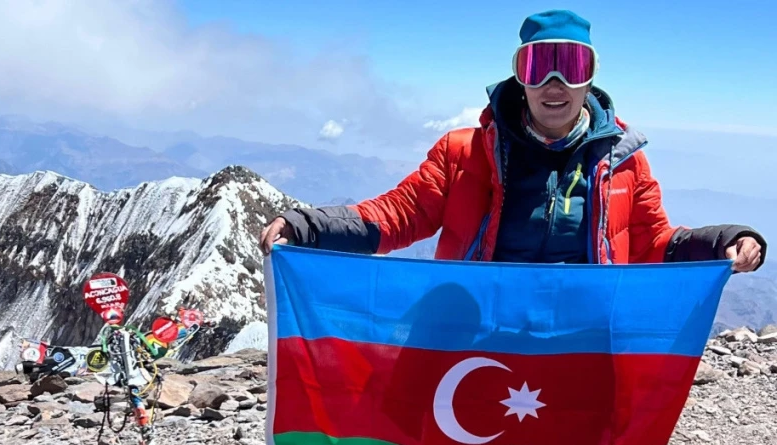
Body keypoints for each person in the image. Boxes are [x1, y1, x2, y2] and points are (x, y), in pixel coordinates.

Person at [260, 9, 766, 273]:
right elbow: (398, 214)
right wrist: (308, 228)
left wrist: (726, 242)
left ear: (590, 81)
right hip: (480, 331)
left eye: (571, 67)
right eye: (537, 66)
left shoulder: (624, 164)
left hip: (581, 337)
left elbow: (655, 243)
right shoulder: (463, 153)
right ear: (519, 78)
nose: (554, 84)